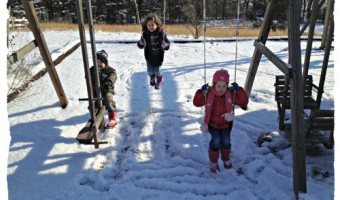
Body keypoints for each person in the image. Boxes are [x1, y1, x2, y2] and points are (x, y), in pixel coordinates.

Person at [193, 69, 249, 173]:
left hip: (226, 124)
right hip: (212, 124)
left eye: (224, 86)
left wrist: (239, 90)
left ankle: (226, 159)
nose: (221, 89)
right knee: (216, 140)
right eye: (218, 86)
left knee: (226, 141)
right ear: (214, 85)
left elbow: (243, 102)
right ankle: (213, 162)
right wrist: (201, 92)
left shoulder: (231, 94)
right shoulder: (208, 93)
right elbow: (196, 103)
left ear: (227, 85)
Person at [137, 13, 170, 90]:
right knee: (150, 71)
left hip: (158, 56)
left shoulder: (161, 33)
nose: (151, 27)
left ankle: (159, 80)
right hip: (149, 56)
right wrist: (141, 43)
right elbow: (140, 45)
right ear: (146, 25)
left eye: (152, 25)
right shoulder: (144, 34)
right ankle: (152, 77)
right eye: (149, 25)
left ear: (157, 25)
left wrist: (165, 45)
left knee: (157, 71)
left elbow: (167, 46)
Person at [90, 50, 117, 128]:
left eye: (100, 62)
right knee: (92, 104)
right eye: (96, 62)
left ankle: (112, 118)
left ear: (105, 62)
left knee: (108, 99)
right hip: (96, 91)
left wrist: (109, 82)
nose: (98, 64)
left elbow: (113, 77)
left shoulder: (110, 70)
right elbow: (88, 76)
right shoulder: (92, 70)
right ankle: (95, 118)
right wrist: (93, 73)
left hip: (106, 90)